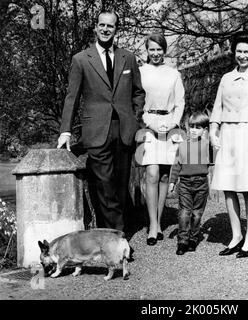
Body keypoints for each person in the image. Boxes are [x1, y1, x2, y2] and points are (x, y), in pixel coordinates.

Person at [57, 11, 145, 232]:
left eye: (111, 26)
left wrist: (135, 117)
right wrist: (65, 131)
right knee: (105, 187)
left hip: (124, 130)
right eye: (102, 25)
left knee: (120, 186)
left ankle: (113, 233)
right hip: (96, 131)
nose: (106, 29)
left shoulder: (128, 57)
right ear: (95, 27)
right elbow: (72, 97)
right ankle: (116, 237)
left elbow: (138, 92)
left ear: (116, 30)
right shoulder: (81, 59)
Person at [209, 31, 248, 258]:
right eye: (239, 51)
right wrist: (213, 130)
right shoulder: (226, 78)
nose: (242, 56)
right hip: (228, 134)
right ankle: (236, 235)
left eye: (247, 52)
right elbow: (217, 108)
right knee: (228, 184)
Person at [139, 33, 185, 246]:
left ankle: (157, 222)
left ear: (164, 50)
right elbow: (137, 103)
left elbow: (180, 102)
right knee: (152, 172)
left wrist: (173, 122)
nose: (155, 53)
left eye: (159, 49)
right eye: (152, 49)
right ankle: (152, 225)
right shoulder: (140, 73)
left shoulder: (174, 74)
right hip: (150, 124)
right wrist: (150, 122)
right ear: (146, 51)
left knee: (165, 176)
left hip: (170, 125)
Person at [168, 112, 211, 255]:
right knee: (184, 213)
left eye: (198, 127)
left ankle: (193, 238)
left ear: (204, 130)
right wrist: (172, 182)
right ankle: (182, 241)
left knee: (197, 213)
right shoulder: (183, 146)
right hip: (185, 183)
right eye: (191, 127)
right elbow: (176, 165)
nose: (193, 130)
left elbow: (213, 161)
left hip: (201, 183)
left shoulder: (207, 145)